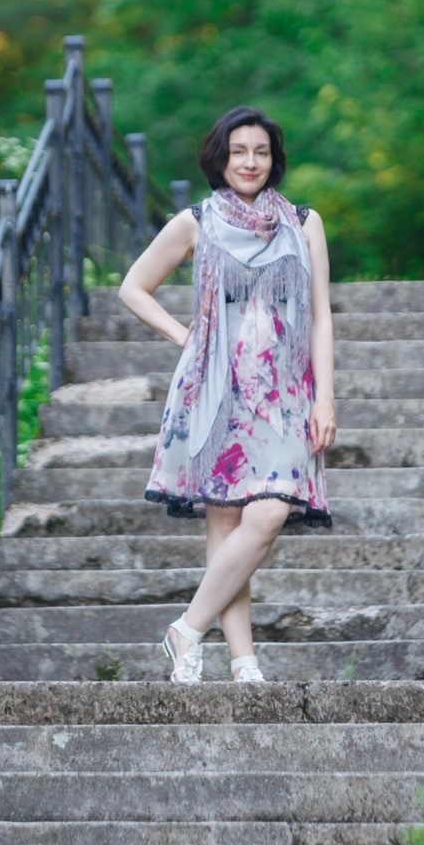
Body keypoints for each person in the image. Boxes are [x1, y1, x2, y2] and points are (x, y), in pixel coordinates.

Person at [118, 106, 336, 683]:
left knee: (269, 512)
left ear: (274, 159)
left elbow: (320, 316)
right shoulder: (197, 222)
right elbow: (134, 287)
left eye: (261, 152)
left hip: (285, 394)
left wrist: (326, 398)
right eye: (239, 151)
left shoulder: (303, 223)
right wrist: (184, 337)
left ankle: (186, 629)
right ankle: (244, 664)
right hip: (216, 390)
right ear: (221, 158)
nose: (250, 162)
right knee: (225, 528)